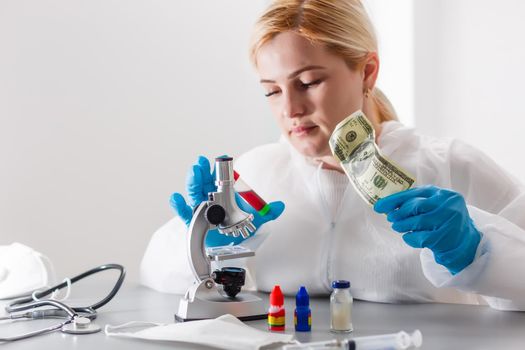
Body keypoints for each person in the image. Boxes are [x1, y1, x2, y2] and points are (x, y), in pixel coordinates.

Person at [140, 0, 525, 311]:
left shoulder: (452, 166)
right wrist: (202, 243)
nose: (290, 109)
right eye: (271, 91)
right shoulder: (257, 174)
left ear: (367, 71)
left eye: (308, 82)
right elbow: (152, 272)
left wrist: (477, 252)